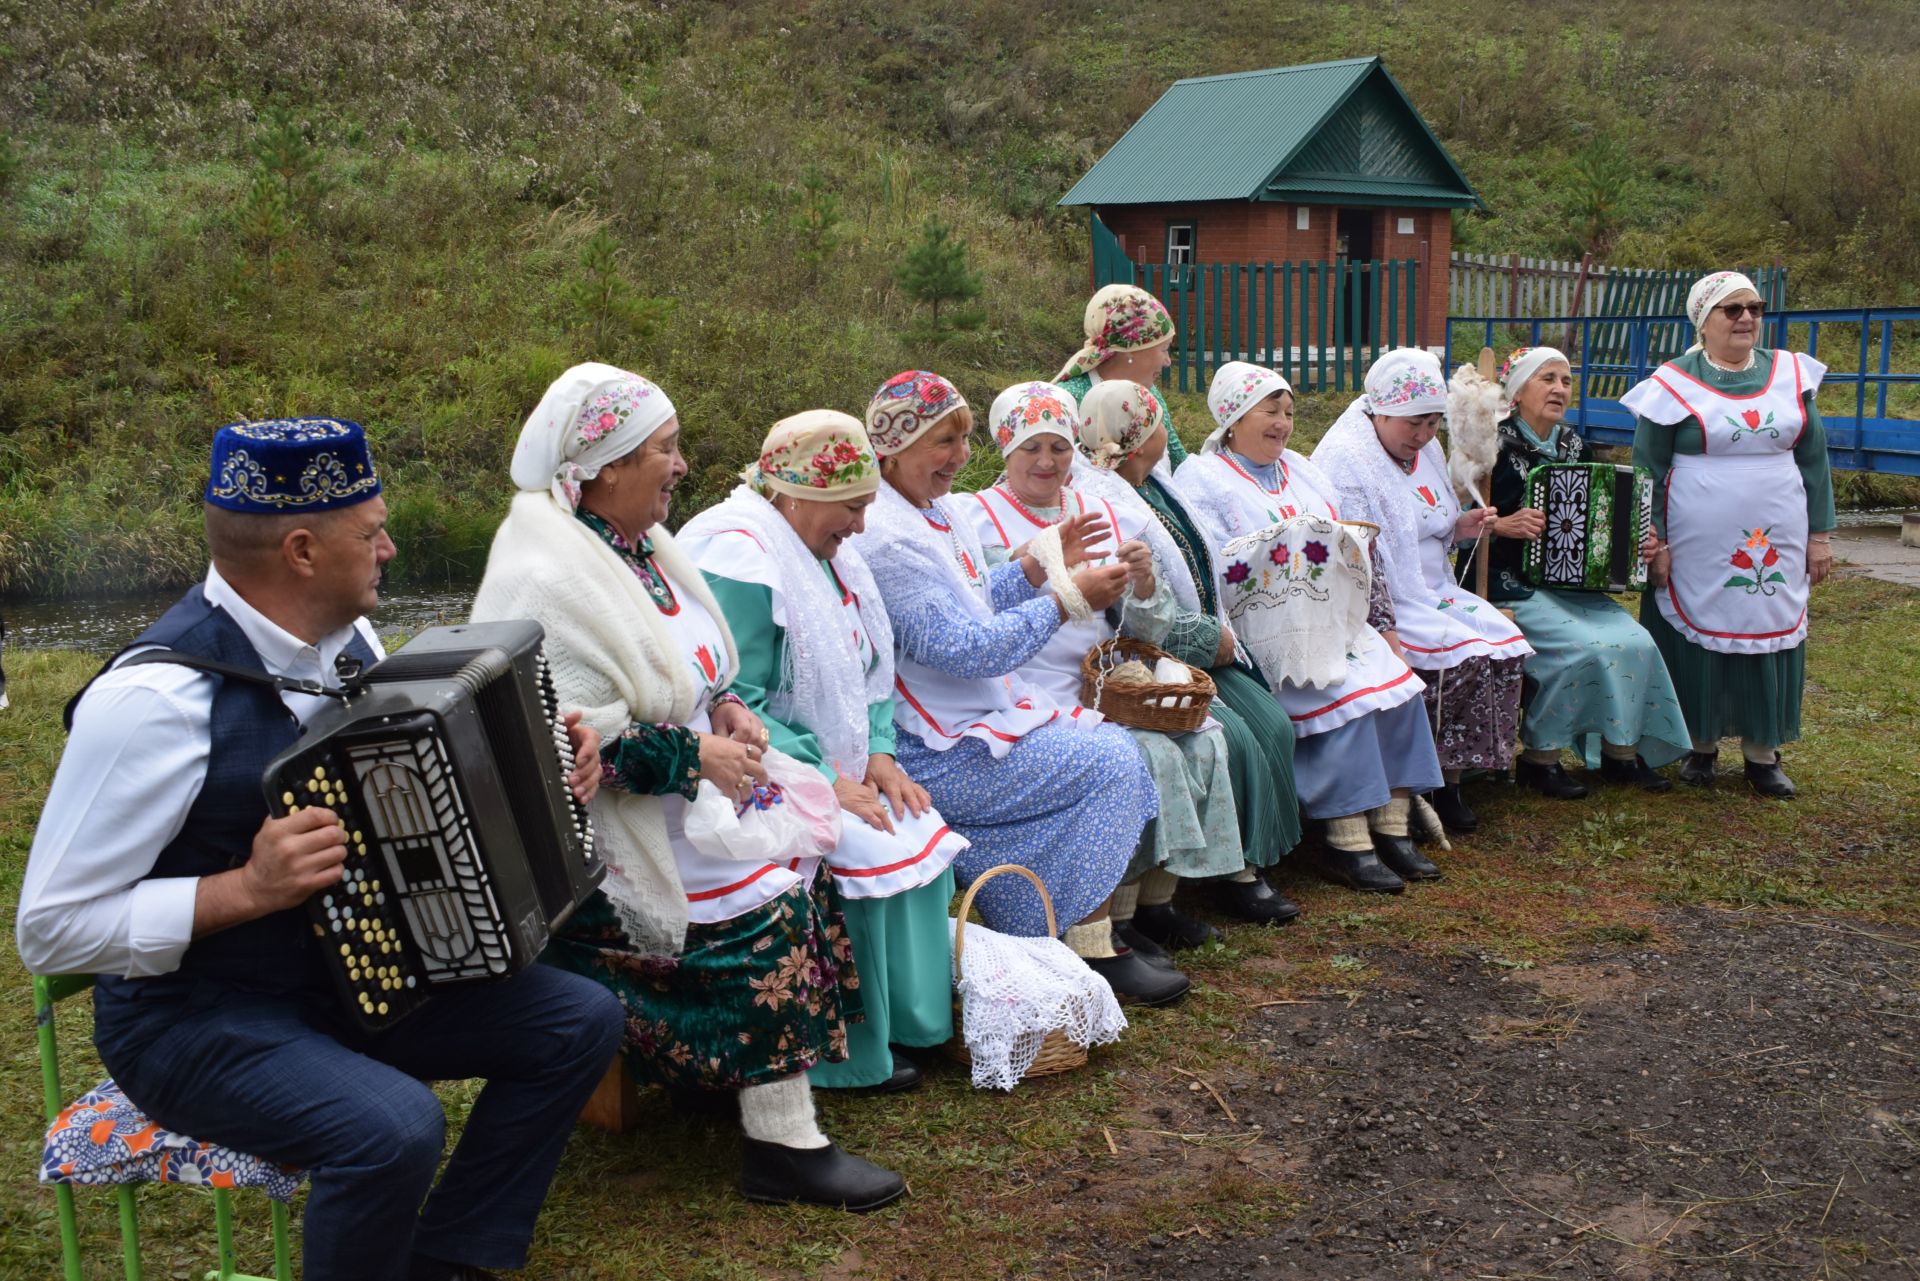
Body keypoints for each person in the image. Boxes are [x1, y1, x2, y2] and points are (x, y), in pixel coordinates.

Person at [16, 418, 624, 1281]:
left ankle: (448, 1259)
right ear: (302, 550)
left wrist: (545, 774)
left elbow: (413, 797)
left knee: (577, 1020)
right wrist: (246, 888)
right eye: (372, 531)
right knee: (390, 1127)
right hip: (194, 1020)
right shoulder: (153, 703)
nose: (391, 547)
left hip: (354, 977)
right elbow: (48, 929)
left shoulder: (353, 647)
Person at [469, 364, 904, 1211]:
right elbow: (565, 756)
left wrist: (731, 705)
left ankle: (736, 1080)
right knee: (762, 896)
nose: (681, 465)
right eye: (664, 450)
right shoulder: (547, 578)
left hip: (682, 808)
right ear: (604, 465)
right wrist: (698, 757)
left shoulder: (640, 545)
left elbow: (695, 664)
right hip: (602, 845)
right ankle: (783, 1146)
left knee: (805, 854)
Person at [851, 370, 1183, 1007]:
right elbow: (963, 651)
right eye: (942, 442)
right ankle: (1078, 941)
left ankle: (1053, 932)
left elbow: (972, 607)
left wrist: (1029, 568)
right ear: (894, 449)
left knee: (1110, 753)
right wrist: (1065, 598)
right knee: (1114, 765)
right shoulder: (887, 537)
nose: (959, 458)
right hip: (926, 749)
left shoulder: (933, 509)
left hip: (967, 720)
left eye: (966, 439)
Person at [678, 411, 966, 1095]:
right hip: (748, 768)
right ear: (798, 494)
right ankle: (847, 1050)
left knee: (914, 826)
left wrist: (882, 756)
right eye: (854, 507)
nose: (862, 526)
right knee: (861, 846)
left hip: (826, 762)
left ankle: (906, 1025)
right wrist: (825, 780)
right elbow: (740, 698)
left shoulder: (829, 551)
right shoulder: (739, 555)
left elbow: (867, 667)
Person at [959, 382, 1251, 955]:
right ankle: (1109, 915)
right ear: (1005, 450)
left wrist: (1143, 585)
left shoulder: (1098, 512)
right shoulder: (978, 518)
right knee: (1152, 754)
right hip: (1024, 683)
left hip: (1104, 677)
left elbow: (1142, 632)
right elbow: (980, 611)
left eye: (1060, 447)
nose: (1047, 462)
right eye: (1031, 448)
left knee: (1202, 740)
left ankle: (1154, 903)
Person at [1174, 362, 1445, 891]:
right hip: (1266, 631)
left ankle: (1391, 829)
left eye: (1289, 412)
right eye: (1270, 411)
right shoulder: (1204, 479)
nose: (1283, 423)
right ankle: (1347, 838)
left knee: (1398, 689)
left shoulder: (1303, 468)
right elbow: (1206, 567)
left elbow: (1352, 545)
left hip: (1331, 618)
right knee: (1344, 696)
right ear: (1232, 417)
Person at [1068, 377, 1311, 911]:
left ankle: (1262, 853)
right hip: (1155, 658)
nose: (1167, 431)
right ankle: (1235, 876)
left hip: (1206, 645)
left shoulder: (1154, 481)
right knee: (1239, 738)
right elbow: (1125, 611)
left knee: (1271, 722)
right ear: (1139, 435)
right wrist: (1207, 639)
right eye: (1158, 422)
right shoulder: (1104, 498)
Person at [1621, 272, 1836, 798]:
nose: (1746, 318)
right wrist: (1657, 541)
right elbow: (1647, 467)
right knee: (1698, 631)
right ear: (1704, 320)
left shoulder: (1790, 373)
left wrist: (1821, 536)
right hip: (1696, 539)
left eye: (1754, 308)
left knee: (1769, 622)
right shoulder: (1672, 382)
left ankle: (1764, 752)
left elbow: (1813, 458)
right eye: (1731, 309)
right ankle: (1701, 743)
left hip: (1778, 534)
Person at [1311, 349, 1534, 835]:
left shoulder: (1425, 450)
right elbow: (1359, 557)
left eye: (1434, 423)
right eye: (1414, 423)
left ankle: (1455, 777)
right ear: (1380, 411)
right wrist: (1387, 626)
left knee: (1504, 646)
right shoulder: (1349, 461)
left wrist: (1463, 526)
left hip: (1433, 588)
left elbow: (1431, 526)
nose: (1424, 435)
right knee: (1464, 656)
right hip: (1383, 596)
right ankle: (1421, 785)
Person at [1475, 346, 1690, 797]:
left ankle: (1622, 753)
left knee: (1637, 642)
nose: (1558, 388)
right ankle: (1540, 759)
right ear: (1518, 390)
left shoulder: (1576, 446)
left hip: (1575, 586)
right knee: (1582, 648)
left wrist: (1639, 543)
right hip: (1508, 585)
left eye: (1566, 380)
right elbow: (1451, 523)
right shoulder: (1487, 444)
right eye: (1546, 378)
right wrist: (1503, 525)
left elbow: (1604, 518)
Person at [1054, 283, 1186, 475]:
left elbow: (1177, 461)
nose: (1167, 361)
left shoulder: (1148, 394)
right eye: (1164, 349)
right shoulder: (1070, 400)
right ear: (1130, 350)